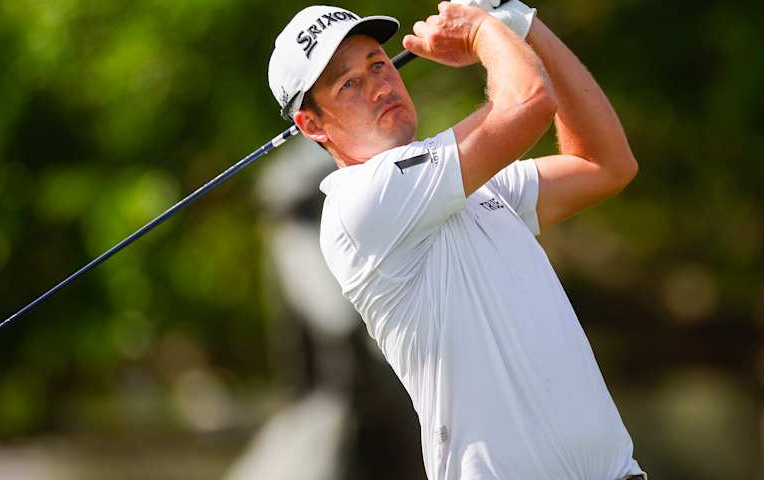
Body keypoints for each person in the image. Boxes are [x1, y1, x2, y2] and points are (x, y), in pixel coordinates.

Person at [267, 2, 646, 479]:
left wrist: (526, 26)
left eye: (378, 64)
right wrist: (483, 29)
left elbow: (605, 164)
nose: (380, 87)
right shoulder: (357, 205)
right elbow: (527, 103)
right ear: (312, 125)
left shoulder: (477, 187)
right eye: (349, 84)